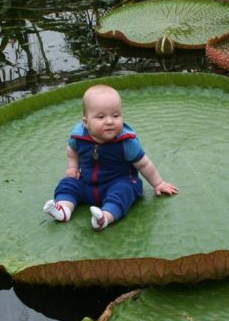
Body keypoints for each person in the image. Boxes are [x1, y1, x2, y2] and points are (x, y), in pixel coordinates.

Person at [43, 84, 177, 231]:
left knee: (124, 191)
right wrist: (73, 167)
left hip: (117, 182)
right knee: (68, 184)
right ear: (86, 122)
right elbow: (72, 150)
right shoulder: (79, 136)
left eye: (116, 115)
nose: (109, 121)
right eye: (101, 117)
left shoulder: (126, 141)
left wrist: (158, 183)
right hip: (87, 184)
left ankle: (104, 218)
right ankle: (63, 210)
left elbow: (144, 164)